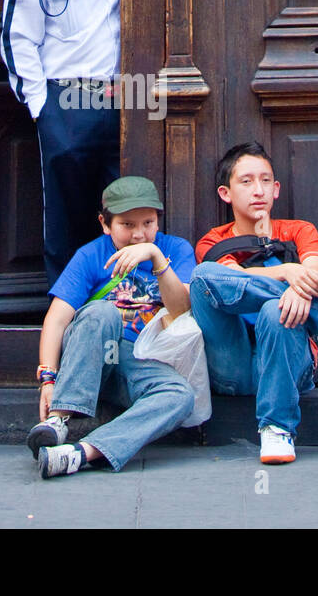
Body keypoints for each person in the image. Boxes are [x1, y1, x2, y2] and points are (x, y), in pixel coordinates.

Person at [190, 142, 318, 464]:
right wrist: (288, 272)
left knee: (275, 310)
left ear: (276, 189)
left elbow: (314, 271)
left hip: (291, 367)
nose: (258, 190)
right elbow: (229, 286)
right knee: (204, 275)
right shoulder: (212, 241)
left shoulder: (299, 230)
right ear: (225, 192)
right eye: (246, 181)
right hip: (233, 367)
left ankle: (276, 429)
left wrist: (302, 288)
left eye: (265, 181)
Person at [0, 0, 122, 289]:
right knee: (67, 219)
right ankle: (69, 315)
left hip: (130, 95)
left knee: (129, 211)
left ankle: (130, 315)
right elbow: (17, 36)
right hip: (66, 100)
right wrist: (41, 106)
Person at [26, 177, 197, 478]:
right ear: (105, 224)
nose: (139, 234)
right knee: (102, 312)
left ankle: (80, 453)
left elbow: (181, 309)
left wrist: (156, 258)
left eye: (148, 222)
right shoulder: (91, 254)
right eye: (127, 225)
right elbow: (57, 318)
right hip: (94, 355)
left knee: (180, 395)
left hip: (141, 362)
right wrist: (48, 378)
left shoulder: (176, 249)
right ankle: (58, 421)